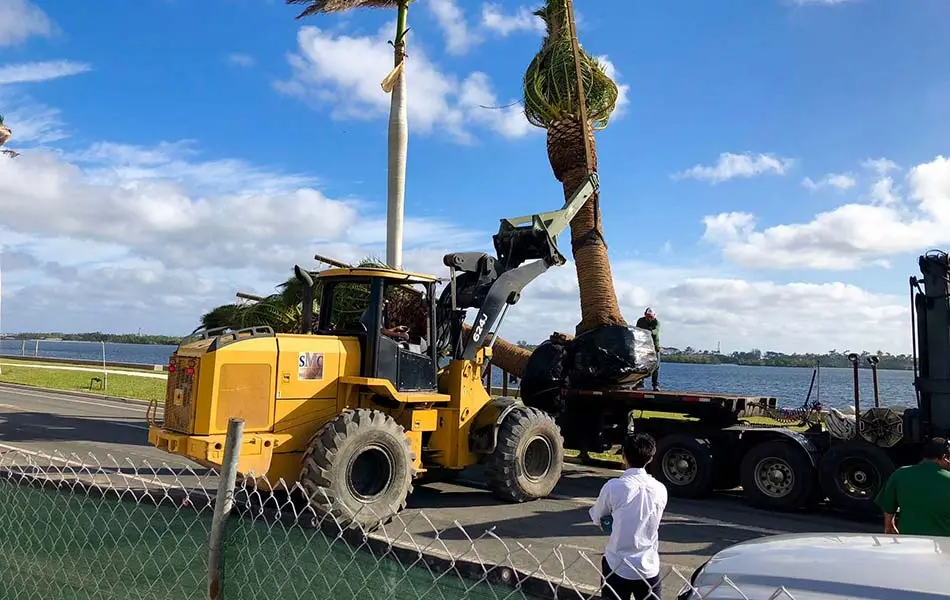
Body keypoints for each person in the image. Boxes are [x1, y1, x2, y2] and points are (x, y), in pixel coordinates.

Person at [589, 433, 667, 600]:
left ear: (623, 456)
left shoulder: (614, 487)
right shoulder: (660, 489)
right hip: (648, 566)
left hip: (617, 565)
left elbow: (597, 516)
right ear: (651, 458)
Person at [875, 436, 950, 536]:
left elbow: (888, 505)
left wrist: (889, 525)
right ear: (945, 457)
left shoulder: (900, 474)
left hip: (909, 541)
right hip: (943, 543)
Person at [635, 308, 661, 391]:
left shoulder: (656, 322)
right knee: (641, 365)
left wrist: (649, 331)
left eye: (651, 317)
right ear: (645, 315)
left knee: (656, 366)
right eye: (648, 316)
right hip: (643, 345)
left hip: (654, 346)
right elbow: (637, 330)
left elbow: (656, 331)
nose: (649, 318)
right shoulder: (640, 321)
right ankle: (640, 384)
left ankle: (655, 385)